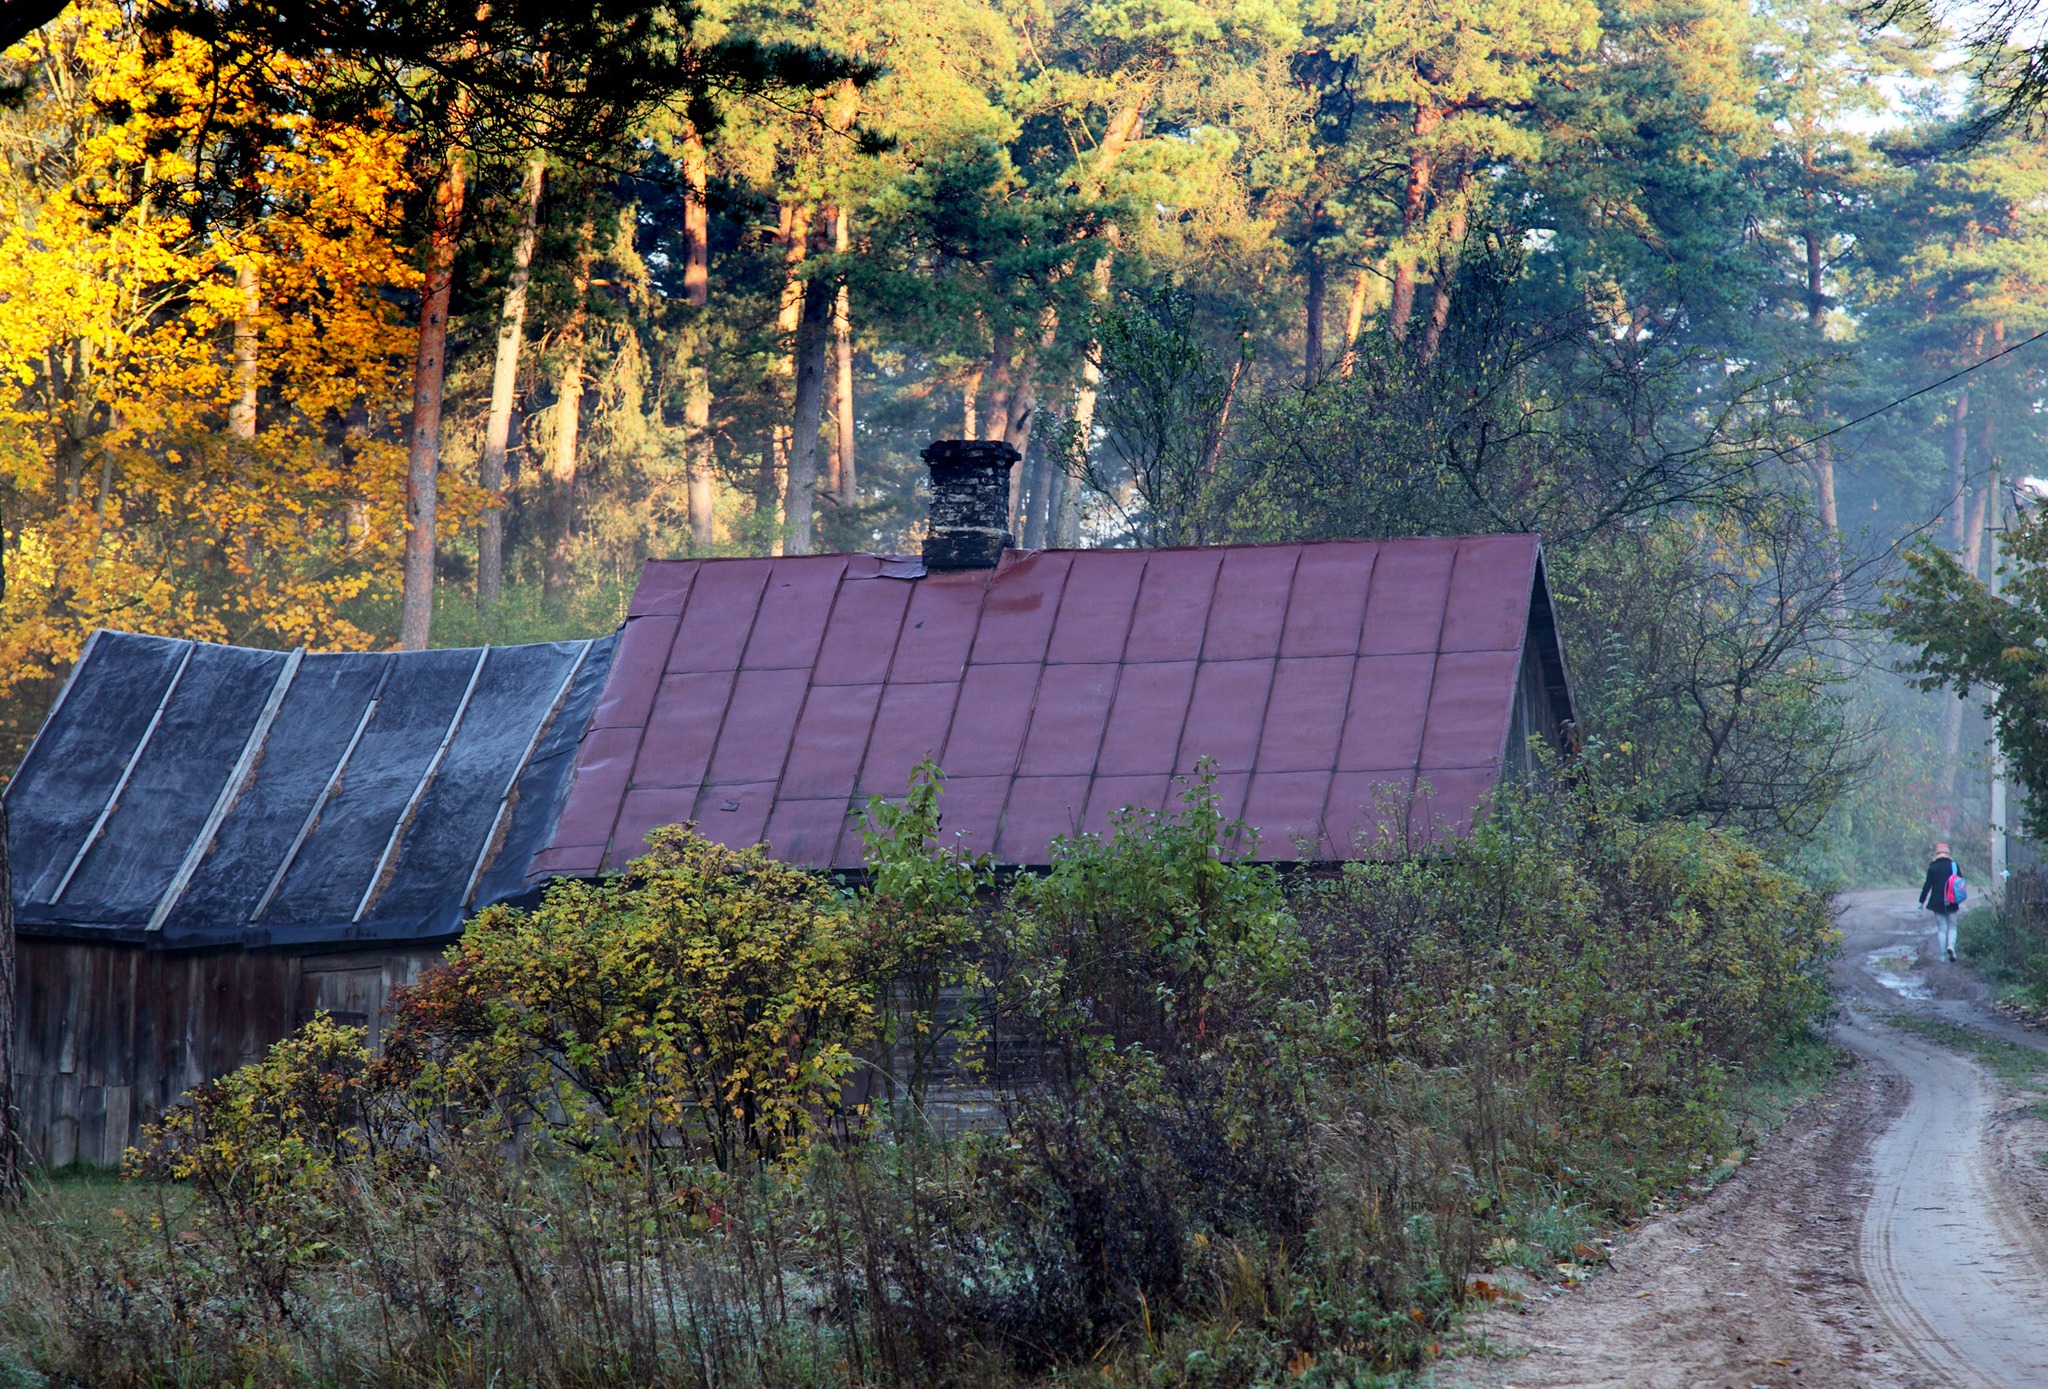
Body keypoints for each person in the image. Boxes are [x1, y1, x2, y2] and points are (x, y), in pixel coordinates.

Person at [1919, 843, 1962, 962]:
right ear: (1948, 853)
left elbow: (1927, 885)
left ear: (1937, 854)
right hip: (1952, 900)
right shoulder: (1954, 866)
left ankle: (1942, 956)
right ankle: (1951, 946)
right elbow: (1960, 882)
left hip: (1937, 901)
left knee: (1942, 928)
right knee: (1953, 926)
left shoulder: (1933, 867)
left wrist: (1921, 901)